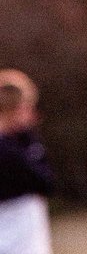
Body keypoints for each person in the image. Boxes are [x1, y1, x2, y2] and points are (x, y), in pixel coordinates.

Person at [0, 70, 53, 254]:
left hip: (27, 226)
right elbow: (41, 181)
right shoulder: (8, 149)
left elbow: (47, 182)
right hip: (12, 225)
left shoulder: (24, 140)